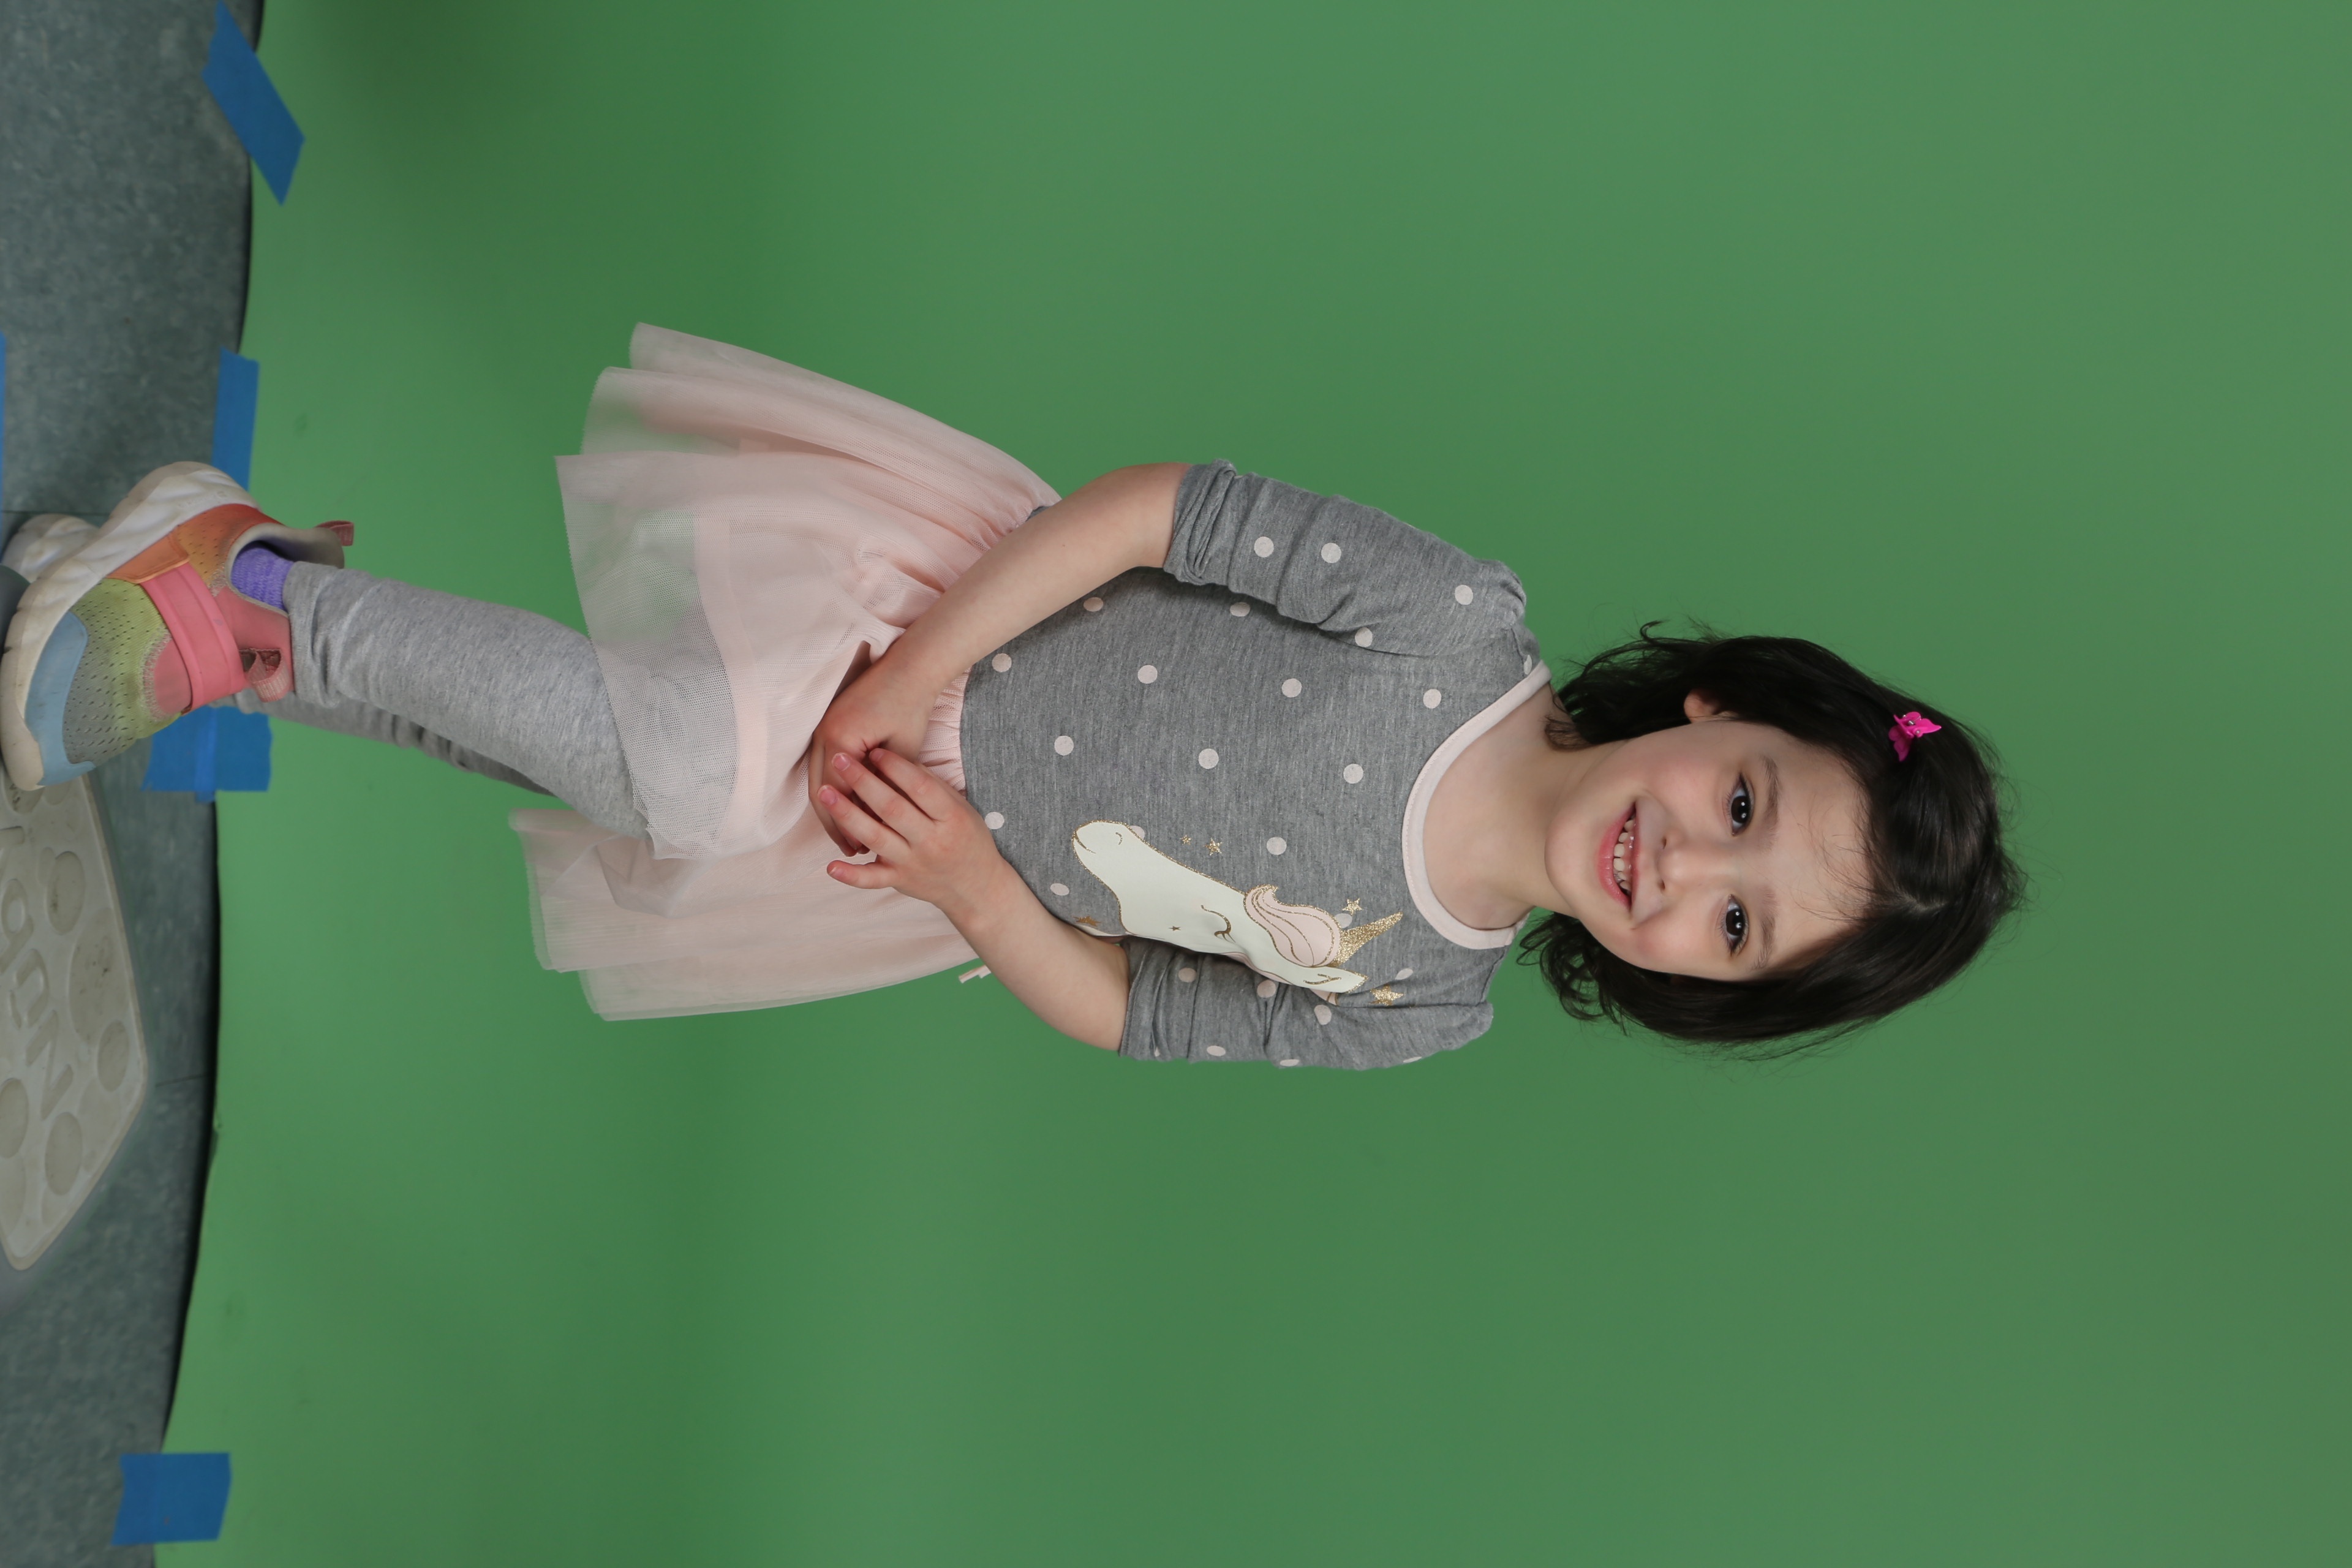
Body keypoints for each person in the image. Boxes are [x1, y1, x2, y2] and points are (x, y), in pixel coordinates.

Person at [0, 326, 2020, 1067]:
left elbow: (1136, 1007)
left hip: (925, 836)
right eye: (1744, 807)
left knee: (633, 784)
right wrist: (917, 668)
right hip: (929, 619)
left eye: (1737, 929)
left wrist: (969, 882)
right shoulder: (1457, 630)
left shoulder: (1425, 1003)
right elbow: (1155, 511)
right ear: (1716, 713)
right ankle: (235, 590)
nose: (1689, 871)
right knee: (675, 763)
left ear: (1704, 986)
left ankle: (257, 628)